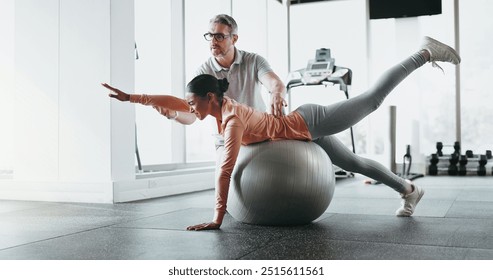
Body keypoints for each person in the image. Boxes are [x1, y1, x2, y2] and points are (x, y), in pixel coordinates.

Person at [103, 36, 461, 231]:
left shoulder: (231, 121)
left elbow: (226, 170)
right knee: (353, 163)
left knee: (371, 100)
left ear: (211, 98)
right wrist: (132, 97)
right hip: (298, 136)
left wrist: (217, 217)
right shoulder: (216, 106)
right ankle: (410, 190)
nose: (189, 109)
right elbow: (175, 102)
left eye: (194, 104)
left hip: (308, 124)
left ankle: (425, 52)